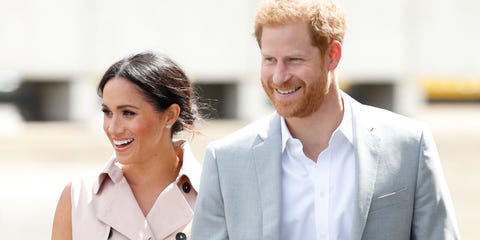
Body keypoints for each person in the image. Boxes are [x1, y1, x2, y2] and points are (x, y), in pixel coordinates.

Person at [191, 0, 459, 239]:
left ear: (332, 56)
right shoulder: (225, 160)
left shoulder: (409, 145)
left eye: (294, 60)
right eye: (270, 59)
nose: (278, 76)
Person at [52, 52, 202, 240]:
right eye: (107, 112)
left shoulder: (213, 193)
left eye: (128, 113)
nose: (113, 128)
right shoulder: (78, 196)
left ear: (170, 115)